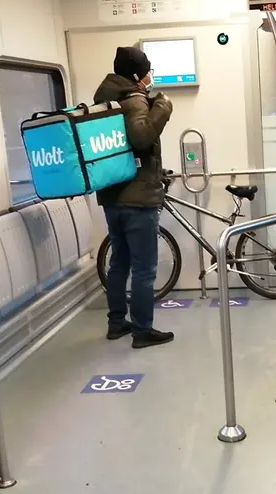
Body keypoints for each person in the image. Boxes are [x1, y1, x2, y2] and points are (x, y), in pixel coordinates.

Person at [94, 46, 175, 349]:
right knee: (144, 268)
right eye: (147, 71)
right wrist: (163, 107)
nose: (149, 76)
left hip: (112, 195)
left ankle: (117, 323)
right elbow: (141, 137)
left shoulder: (104, 99)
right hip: (138, 199)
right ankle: (143, 330)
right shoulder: (135, 99)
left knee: (120, 263)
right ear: (135, 74)